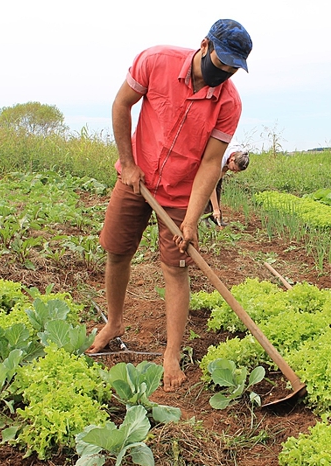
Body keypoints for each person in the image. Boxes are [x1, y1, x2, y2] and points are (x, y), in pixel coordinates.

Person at [86, 19, 253, 393]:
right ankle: (114, 323)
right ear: (205, 44)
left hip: (181, 192)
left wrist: (192, 219)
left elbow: (211, 163)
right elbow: (121, 104)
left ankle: (172, 353)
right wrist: (127, 164)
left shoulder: (229, 102)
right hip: (137, 178)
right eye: (221, 62)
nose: (224, 73)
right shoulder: (155, 61)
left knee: (176, 268)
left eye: (232, 69)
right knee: (117, 252)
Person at [204, 142, 250, 226]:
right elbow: (211, 186)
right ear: (232, 159)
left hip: (223, 160)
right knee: (207, 186)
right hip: (206, 157)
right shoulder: (222, 158)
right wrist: (216, 209)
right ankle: (205, 217)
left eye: (237, 171)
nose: (234, 172)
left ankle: (215, 218)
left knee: (218, 185)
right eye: (233, 169)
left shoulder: (241, 155)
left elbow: (223, 172)